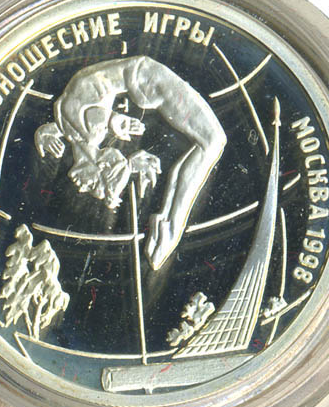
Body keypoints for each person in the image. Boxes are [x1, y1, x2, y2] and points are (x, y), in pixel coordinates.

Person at [35, 56, 227, 270]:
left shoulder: (85, 133)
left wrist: (114, 121)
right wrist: (47, 133)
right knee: (210, 144)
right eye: (93, 186)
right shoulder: (83, 133)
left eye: (92, 187)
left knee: (213, 141)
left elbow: (88, 117)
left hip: (147, 78)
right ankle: (169, 225)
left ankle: (170, 227)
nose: (82, 188)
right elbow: (84, 117)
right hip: (145, 79)